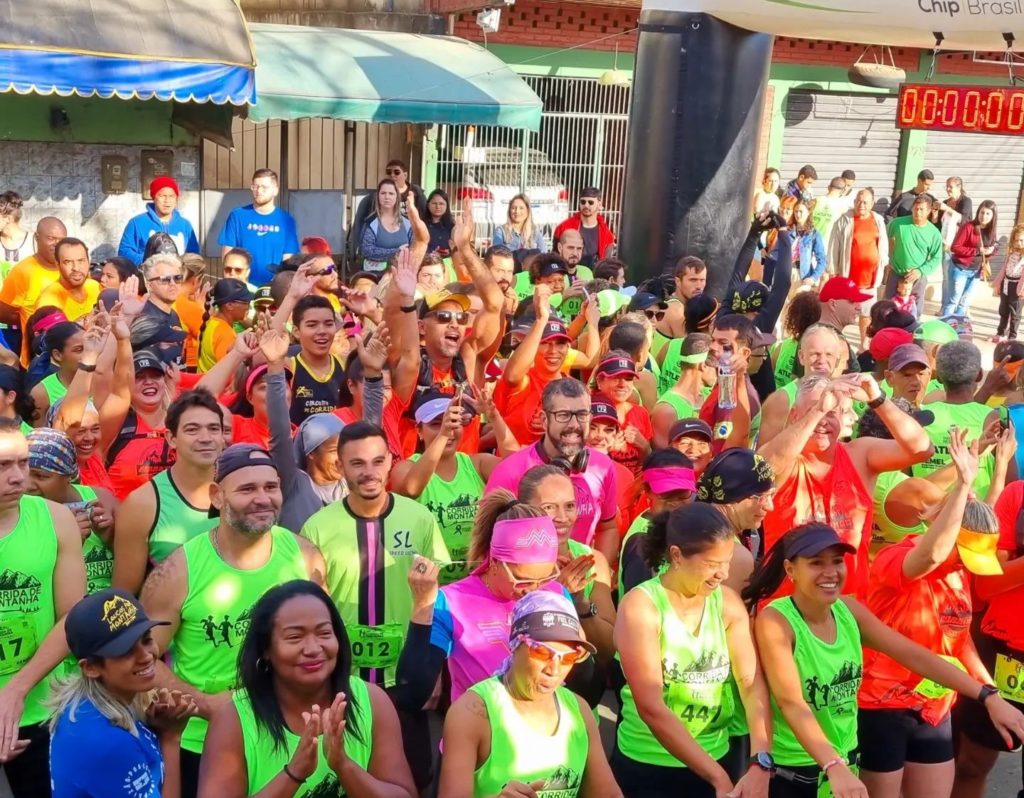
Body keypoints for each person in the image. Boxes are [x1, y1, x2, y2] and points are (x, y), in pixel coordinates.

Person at [744, 523, 1024, 798]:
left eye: (837, 561)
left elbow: (914, 655)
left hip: (844, 760)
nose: (830, 572)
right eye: (816, 563)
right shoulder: (777, 621)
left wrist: (988, 696)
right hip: (797, 768)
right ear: (790, 569)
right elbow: (791, 702)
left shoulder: (848, 610)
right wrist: (832, 765)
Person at [139, 444, 325, 798]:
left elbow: (323, 645)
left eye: (271, 487)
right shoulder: (178, 571)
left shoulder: (305, 556)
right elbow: (141, 660)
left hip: (287, 737)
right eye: (247, 489)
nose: (262, 499)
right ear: (217, 495)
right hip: (203, 742)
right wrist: (205, 704)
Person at [298, 421, 448, 792]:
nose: (369, 472)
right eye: (357, 463)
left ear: (391, 461)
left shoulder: (419, 518)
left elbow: (441, 596)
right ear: (341, 466)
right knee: (343, 779)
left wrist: (436, 665)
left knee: (413, 777)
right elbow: (311, 605)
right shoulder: (317, 527)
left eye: (378, 461)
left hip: (404, 678)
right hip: (344, 682)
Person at [857, 430, 1001, 798]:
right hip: (882, 706)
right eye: (965, 555)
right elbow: (931, 554)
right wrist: (963, 482)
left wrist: (991, 690)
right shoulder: (897, 560)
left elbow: (958, 636)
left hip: (934, 707)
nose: (966, 566)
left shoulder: (956, 573)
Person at [198, 580, 417, 797]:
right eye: (294, 637)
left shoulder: (372, 701)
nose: (313, 648)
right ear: (266, 649)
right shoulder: (233, 719)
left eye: (324, 633)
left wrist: (343, 765)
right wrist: (293, 773)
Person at [613, 503, 772, 798]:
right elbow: (651, 706)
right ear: (676, 555)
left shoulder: (727, 603)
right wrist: (717, 777)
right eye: (712, 564)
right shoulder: (641, 607)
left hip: (717, 755)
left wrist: (761, 761)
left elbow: (750, 683)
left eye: (726, 562)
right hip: (651, 766)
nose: (723, 574)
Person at [759, 374, 933, 599]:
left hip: (849, 607)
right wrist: (819, 410)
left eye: (832, 413)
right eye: (814, 409)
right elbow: (764, 467)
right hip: (786, 609)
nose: (823, 419)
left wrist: (877, 398)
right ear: (794, 415)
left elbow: (921, 449)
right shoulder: (784, 460)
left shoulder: (859, 456)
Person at [438, 591, 622, 798]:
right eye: (542, 652)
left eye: (569, 657)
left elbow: (608, 794)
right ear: (515, 645)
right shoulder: (472, 714)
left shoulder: (578, 710)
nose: (554, 669)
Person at [394, 494, 565, 710]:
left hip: (544, 726)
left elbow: (585, 685)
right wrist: (422, 605)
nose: (534, 590)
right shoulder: (452, 602)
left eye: (546, 578)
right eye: (522, 580)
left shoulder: (556, 594)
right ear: (494, 561)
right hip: (480, 727)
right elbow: (411, 694)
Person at [0, 418, 86, 797]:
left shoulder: (56, 519)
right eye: (3, 466)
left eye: (23, 462)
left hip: (42, 709)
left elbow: (72, 615)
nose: (18, 477)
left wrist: (16, 690)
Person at [49, 589, 198, 798]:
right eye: (126, 650)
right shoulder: (109, 743)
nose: (146, 656)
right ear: (91, 667)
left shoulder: (87, 704)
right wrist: (171, 737)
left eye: (146, 639)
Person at [487, 378, 619, 564]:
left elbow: (608, 527)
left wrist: (598, 572)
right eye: (563, 415)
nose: (574, 425)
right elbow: (488, 544)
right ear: (544, 420)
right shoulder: (509, 472)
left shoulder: (603, 466)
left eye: (581, 415)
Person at [113, 390, 225, 594]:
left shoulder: (240, 488)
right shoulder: (142, 504)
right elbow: (125, 595)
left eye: (214, 428)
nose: (206, 438)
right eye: (192, 430)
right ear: (171, 438)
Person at [391, 393, 497, 585]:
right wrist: (443, 435)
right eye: (435, 424)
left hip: (473, 586)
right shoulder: (404, 468)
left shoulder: (478, 465)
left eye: (453, 423)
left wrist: (495, 417)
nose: (448, 430)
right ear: (419, 430)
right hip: (425, 586)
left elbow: (520, 470)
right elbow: (411, 489)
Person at [518, 464, 616, 664]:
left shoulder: (592, 560)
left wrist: (580, 603)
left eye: (569, 506)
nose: (563, 518)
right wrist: (556, 595)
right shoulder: (513, 562)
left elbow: (609, 650)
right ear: (525, 509)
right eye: (549, 507)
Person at [26, 428, 116, 594]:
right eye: (24, 474)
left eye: (41, 476)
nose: (28, 485)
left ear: (68, 475)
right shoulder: (19, 511)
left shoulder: (101, 499)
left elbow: (135, 562)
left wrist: (110, 537)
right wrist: (66, 542)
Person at [694, 447, 775, 588]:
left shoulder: (689, 522)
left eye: (771, 495)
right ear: (731, 497)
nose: (770, 507)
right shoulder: (734, 556)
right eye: (760, 497)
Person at [618, 449, 696, 595]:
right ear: (647, 490)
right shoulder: (641, 542)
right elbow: (638, 600)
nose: (675, 501)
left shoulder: (679, 525)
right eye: (666, 493)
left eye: (683, 494)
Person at [0, 216, 66, 364]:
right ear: (37, 238)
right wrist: (30, 320)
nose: (57, 244)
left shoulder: (72, 268)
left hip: (72, 359)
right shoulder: (22, 271)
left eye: (61, 240)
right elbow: (3, 313)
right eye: (51, 238)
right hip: (37, 361)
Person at [829, 188, 888, 348]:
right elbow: (834, 247)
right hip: (848, 278)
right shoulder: (844, 220)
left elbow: (883, 246)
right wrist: (832, 271)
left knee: (866, 314)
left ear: (872, 204)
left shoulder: (878, 221)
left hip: (869, 279)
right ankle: (837, 343)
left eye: (865, 202)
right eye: (858, 201)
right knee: (842, 313)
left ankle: (864, 344)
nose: (861, 205)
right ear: (854, 202)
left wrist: (884, 263)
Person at [218, 168, 299, 285]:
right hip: (241, 286)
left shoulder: (286, 221)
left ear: (275, 190)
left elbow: (288, 258)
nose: (259, 191)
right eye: (255, 187)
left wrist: (281, 284)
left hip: (272, 288)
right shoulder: (237, 216)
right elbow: (227, 254)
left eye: (264, 187)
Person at [593, 350, 652, 476]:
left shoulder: (641, 413)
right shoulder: (588, 412)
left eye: (628, 379)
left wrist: (645, 446)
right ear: (599, 381)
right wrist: (606, 450)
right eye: (615, 377)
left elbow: (646, 463)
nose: (623, 384)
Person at [119, 177, 200, 266]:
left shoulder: (185, 225)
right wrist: (148, 261)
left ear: (176, 198)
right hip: (146, 273)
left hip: (178, 274)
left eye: (171, 196)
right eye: (162, 196)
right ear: (154, 197)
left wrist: (182, 265)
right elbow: (124, 252)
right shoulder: (137, 223)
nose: (167, 201)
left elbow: (194, 255)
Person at [885, 195, 944, 317]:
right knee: (887, 308)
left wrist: (920, 271)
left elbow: (937, 257)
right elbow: (883, 240)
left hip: (917, 277)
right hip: (896, 273)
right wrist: (888, 260)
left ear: (928, 211)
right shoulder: (897, 224)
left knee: (914, 311)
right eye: (916, 208)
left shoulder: (934, 233)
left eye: (922, 209)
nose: (918, 212)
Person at [652, 333, 711, 447]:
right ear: (703, 365)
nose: (719, 370)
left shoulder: (709, 397)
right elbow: (664, 456)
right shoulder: (667, 410)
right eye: (716, 364)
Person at [944, 200, 998, 318]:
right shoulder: (968, 226)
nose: (984, 216)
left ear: (993, 216)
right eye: (982, 212)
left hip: (976, 271)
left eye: (988, 214)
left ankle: (959, 327)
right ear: (978, 212)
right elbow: (955, 247)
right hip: (960, 268)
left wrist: (992, 251)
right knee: (953, 301)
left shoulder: (991, 231)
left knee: (964, 303)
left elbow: (994, 246)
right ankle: (946, 325)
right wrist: (977, 251)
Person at [28, 321, 84, 427]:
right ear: (57, 355)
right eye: (79, 349)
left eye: (89, 347)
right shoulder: (42, 392)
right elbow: (39, 434)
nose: (88, 353)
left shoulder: (100, 380)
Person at [36, 237, 99, 323]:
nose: (76, 268)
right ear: (57, 265)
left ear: (89, 262)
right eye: (68, 262)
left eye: (81, 261)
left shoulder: (96, 287)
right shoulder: (48, 301)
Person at [197, 279, 253, 373]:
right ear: (229, 305)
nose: (249, 307)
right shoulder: (225, 334)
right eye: (246, 302)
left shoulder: (209, 322)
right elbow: (230, 374)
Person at [554, 187, 616, 267]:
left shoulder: (607, 234)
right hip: (568, 271)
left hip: (594, 273)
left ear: (599, 205)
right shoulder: (563, 228)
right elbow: (555, 255)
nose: (586, 205)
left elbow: (606, 263)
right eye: (583, 202)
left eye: (590, 202)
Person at [359, 179, 412, 272]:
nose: (387, 197)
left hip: (401, 274)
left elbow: (414, 248)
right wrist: (396, 251)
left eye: (391, 193)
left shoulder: (408, 222)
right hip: (374, 275)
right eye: (383, 193)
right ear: (378, 196)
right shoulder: (370, 223)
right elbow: (366, 250)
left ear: (397, 196)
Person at [993, 223, 1024, 342]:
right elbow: (1004, 269)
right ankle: (1000, 332)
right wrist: (998, 284)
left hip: (1018, 287)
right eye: (1016, 240)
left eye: (1022, 240)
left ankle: (1012, 337)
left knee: (1015, 313)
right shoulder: (1011, 253)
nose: (1019, 243)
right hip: (1006, 284)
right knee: (1003, 310)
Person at [792, 201, 827, 289]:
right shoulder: (789, 231)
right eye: (796, 211)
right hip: (786, 273)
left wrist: (813, 278)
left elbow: (822, 260)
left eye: (801, 211)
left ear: (808, 213)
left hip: (803, 276)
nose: (798, 214)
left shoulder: (814, 234)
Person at [425, 188, 454, 255]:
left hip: (447, 260)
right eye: (434, 203)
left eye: (441, 204)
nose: (437, 207)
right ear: (428, 204)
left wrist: (450, 252)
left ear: (446, 206)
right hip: (426, 260)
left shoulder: (452, 227)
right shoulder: (422, 225)